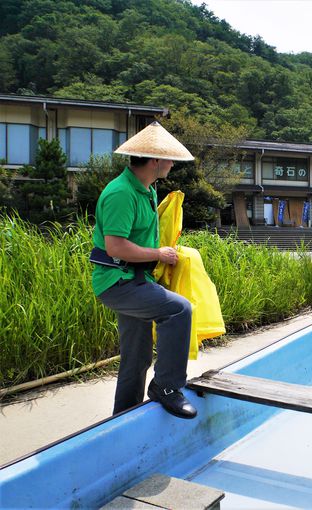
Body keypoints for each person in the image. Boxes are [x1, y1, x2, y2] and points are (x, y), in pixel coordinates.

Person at [90, 121, 197, 419]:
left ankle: (123, 418)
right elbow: (116, 247)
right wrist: (158, 254)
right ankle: (166, 387)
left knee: (136, 358)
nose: (172, 164)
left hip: (136, 279)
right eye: (169, 159)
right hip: (117, 282)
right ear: (154, 161)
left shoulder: (146, 189)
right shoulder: (121, 193)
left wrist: (165, 254)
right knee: (179, 310)